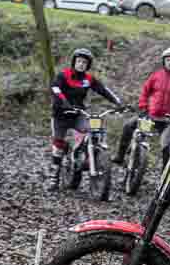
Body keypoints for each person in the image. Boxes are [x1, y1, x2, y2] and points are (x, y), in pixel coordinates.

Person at [49, 48, 124, 190]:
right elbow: (55, 89)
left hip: (78, 113)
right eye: (79, 61)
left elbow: (103, 90)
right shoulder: (63, 75)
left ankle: (89, 156)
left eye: (84, 62)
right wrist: (63, 101)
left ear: (88, 65)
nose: (81, 64)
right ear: (74, 62)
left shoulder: (88, 79)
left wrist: (117, 102)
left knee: (93, 131)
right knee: (58, 145)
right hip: (61, 114)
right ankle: (54, 178)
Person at [112, 47, 170, 167]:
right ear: (164, 61)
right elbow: (145, 91)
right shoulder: (156, 75)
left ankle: (164, 174)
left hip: (168, 120)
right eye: (168, 60)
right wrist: (143, 106)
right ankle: (120, 156)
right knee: (129, 126)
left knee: (166, 145)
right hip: (151, 117)